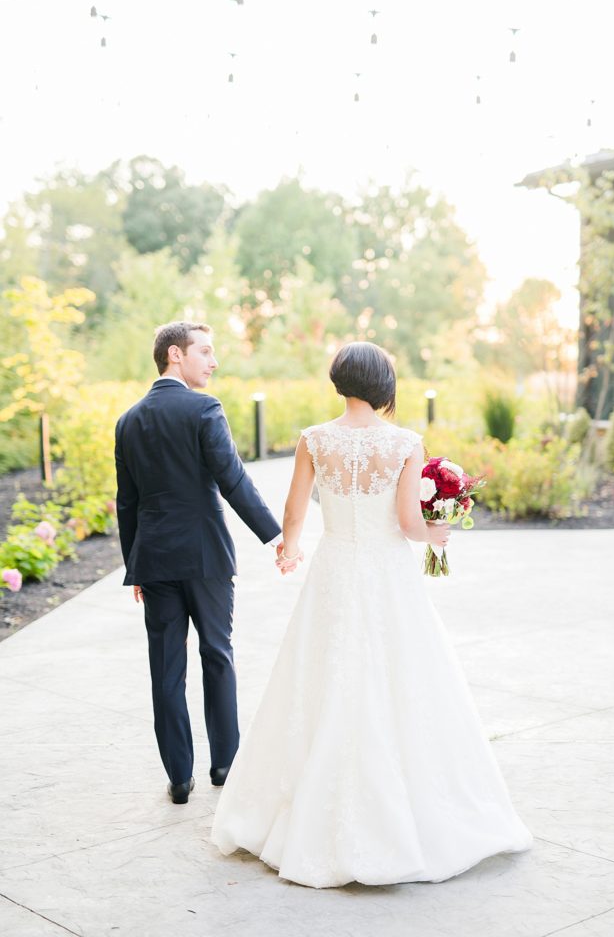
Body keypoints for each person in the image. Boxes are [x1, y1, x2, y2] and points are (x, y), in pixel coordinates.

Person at [211, 340, 533, 887]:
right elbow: (407, 524)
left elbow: (295, 507)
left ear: (339, 381)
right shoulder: (404, 442)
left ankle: (298, 812)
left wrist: (290, 549)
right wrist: (436, 534)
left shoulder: (314, 439)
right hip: (388, 575)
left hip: (334, 569)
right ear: (384, 383)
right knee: (399, 677)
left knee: (321, 676)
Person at [115, 321, 282, 804]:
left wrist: (134, 565)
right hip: (206, 555)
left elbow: (127, 503)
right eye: (204, 351)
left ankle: (179, 777)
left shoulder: (128, 421)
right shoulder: (204, 408)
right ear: (175, 354)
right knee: (217, 654)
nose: (213, 361)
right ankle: (225, 764)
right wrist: (274, 535)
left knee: (166, 669)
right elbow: (232, 479)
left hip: (154, 560)